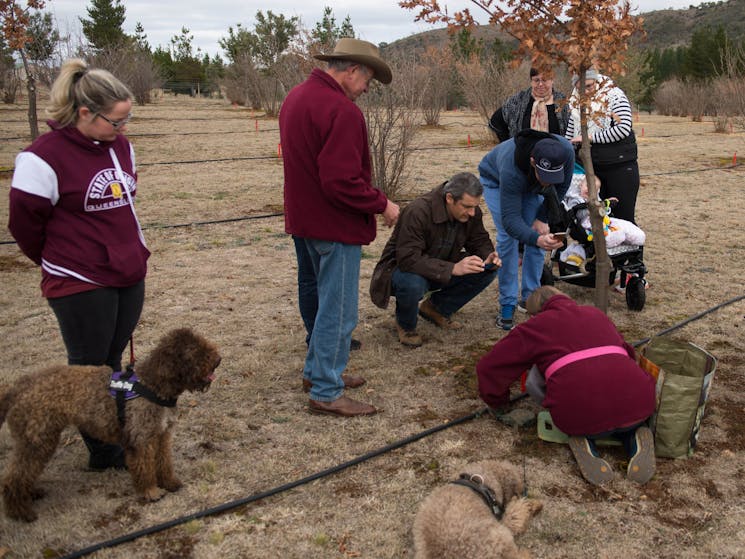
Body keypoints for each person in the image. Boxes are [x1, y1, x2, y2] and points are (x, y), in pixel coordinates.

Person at [8, 58, 147, 470]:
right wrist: (60, 261)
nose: (122, 129)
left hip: (126, 271)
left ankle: (120, 426)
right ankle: (103, 449)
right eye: (116, 121)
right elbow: (25, 226)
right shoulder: (41, 159)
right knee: (90, 367)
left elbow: (124, 204)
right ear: (85, 112)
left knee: (115, 358)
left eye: (126, 120)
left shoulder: (121, 146)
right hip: (80, 281)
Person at [279, 38, 400, 418]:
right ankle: (326, 391)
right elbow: (341, 182)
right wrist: (383, 204)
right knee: (339, 309)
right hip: (333, 225)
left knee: (321, 299)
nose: (366, 91)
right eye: (367, 82)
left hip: (305, 220)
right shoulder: (341, 111)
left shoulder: (296, 98)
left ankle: (317, 374)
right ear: (352, 71)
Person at [476, 286, 657, 486]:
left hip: (579, 411)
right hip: (640, 403)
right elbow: (628, 354)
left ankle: (584, 440)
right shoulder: (596, 314)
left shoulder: (534, 327)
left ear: (535, 312)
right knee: (624, 416)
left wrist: (498, 401)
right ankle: (634, 437)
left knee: (581, 415)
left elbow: (489, 366)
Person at [370, 172, 500, 347]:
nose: (472, 212)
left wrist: (488, 256)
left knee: (485, 269)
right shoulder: (418, 210)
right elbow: (408, 259)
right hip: (400, 271)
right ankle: (406, 325)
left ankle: (436, 309)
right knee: (413, 283)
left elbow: (479, 240)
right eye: (467, 206)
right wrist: (452, 269)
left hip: (440, 263)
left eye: (475, 207)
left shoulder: (471, 212)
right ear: (449, 198)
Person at [478, 130, 573, 331]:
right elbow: (511, 221)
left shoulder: (565, 151)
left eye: (552, 176)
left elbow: (561, 187)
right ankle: (508, 303)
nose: (548, 182)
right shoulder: (510, 168)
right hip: (496, 181)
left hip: (530, 185)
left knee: (538, 232)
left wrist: (542, 218)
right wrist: (537, 240)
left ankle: (531, 299)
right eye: (544, 175)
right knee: (508, 236)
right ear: (532, 162)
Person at [564, 68, 639, 223]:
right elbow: (571, 134)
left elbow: (623, 128)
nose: (585, 92)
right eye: (579, 89)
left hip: (620, 167)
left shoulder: (614, 96)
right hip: (593, 169)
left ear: (598, 81)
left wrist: (590, 137)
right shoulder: (576, 102)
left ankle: (631, 247)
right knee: (598, 220)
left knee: (623, 219)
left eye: (589, 86)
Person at [559, 162, 646, 268]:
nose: (590, 191)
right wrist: (595, 205)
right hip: (585, 224)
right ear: (581, 185)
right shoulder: (575, 198)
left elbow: (604, 211)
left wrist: (607, 204)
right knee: (612, 233)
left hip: (603, 221)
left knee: (623, 224)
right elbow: (578, 212)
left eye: (595, 189)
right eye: (588, 186)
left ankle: (633, 235)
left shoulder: (596, 198)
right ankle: (613, 238)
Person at [488, 68, 570, 143]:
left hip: (557, 155)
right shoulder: (518, 101)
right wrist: (508, 144)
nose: (540, 84)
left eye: (544, 80)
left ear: (552, 80)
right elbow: (496, 122)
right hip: (523, 156)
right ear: (531, 81)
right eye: (536, 80)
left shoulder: (563, 103)